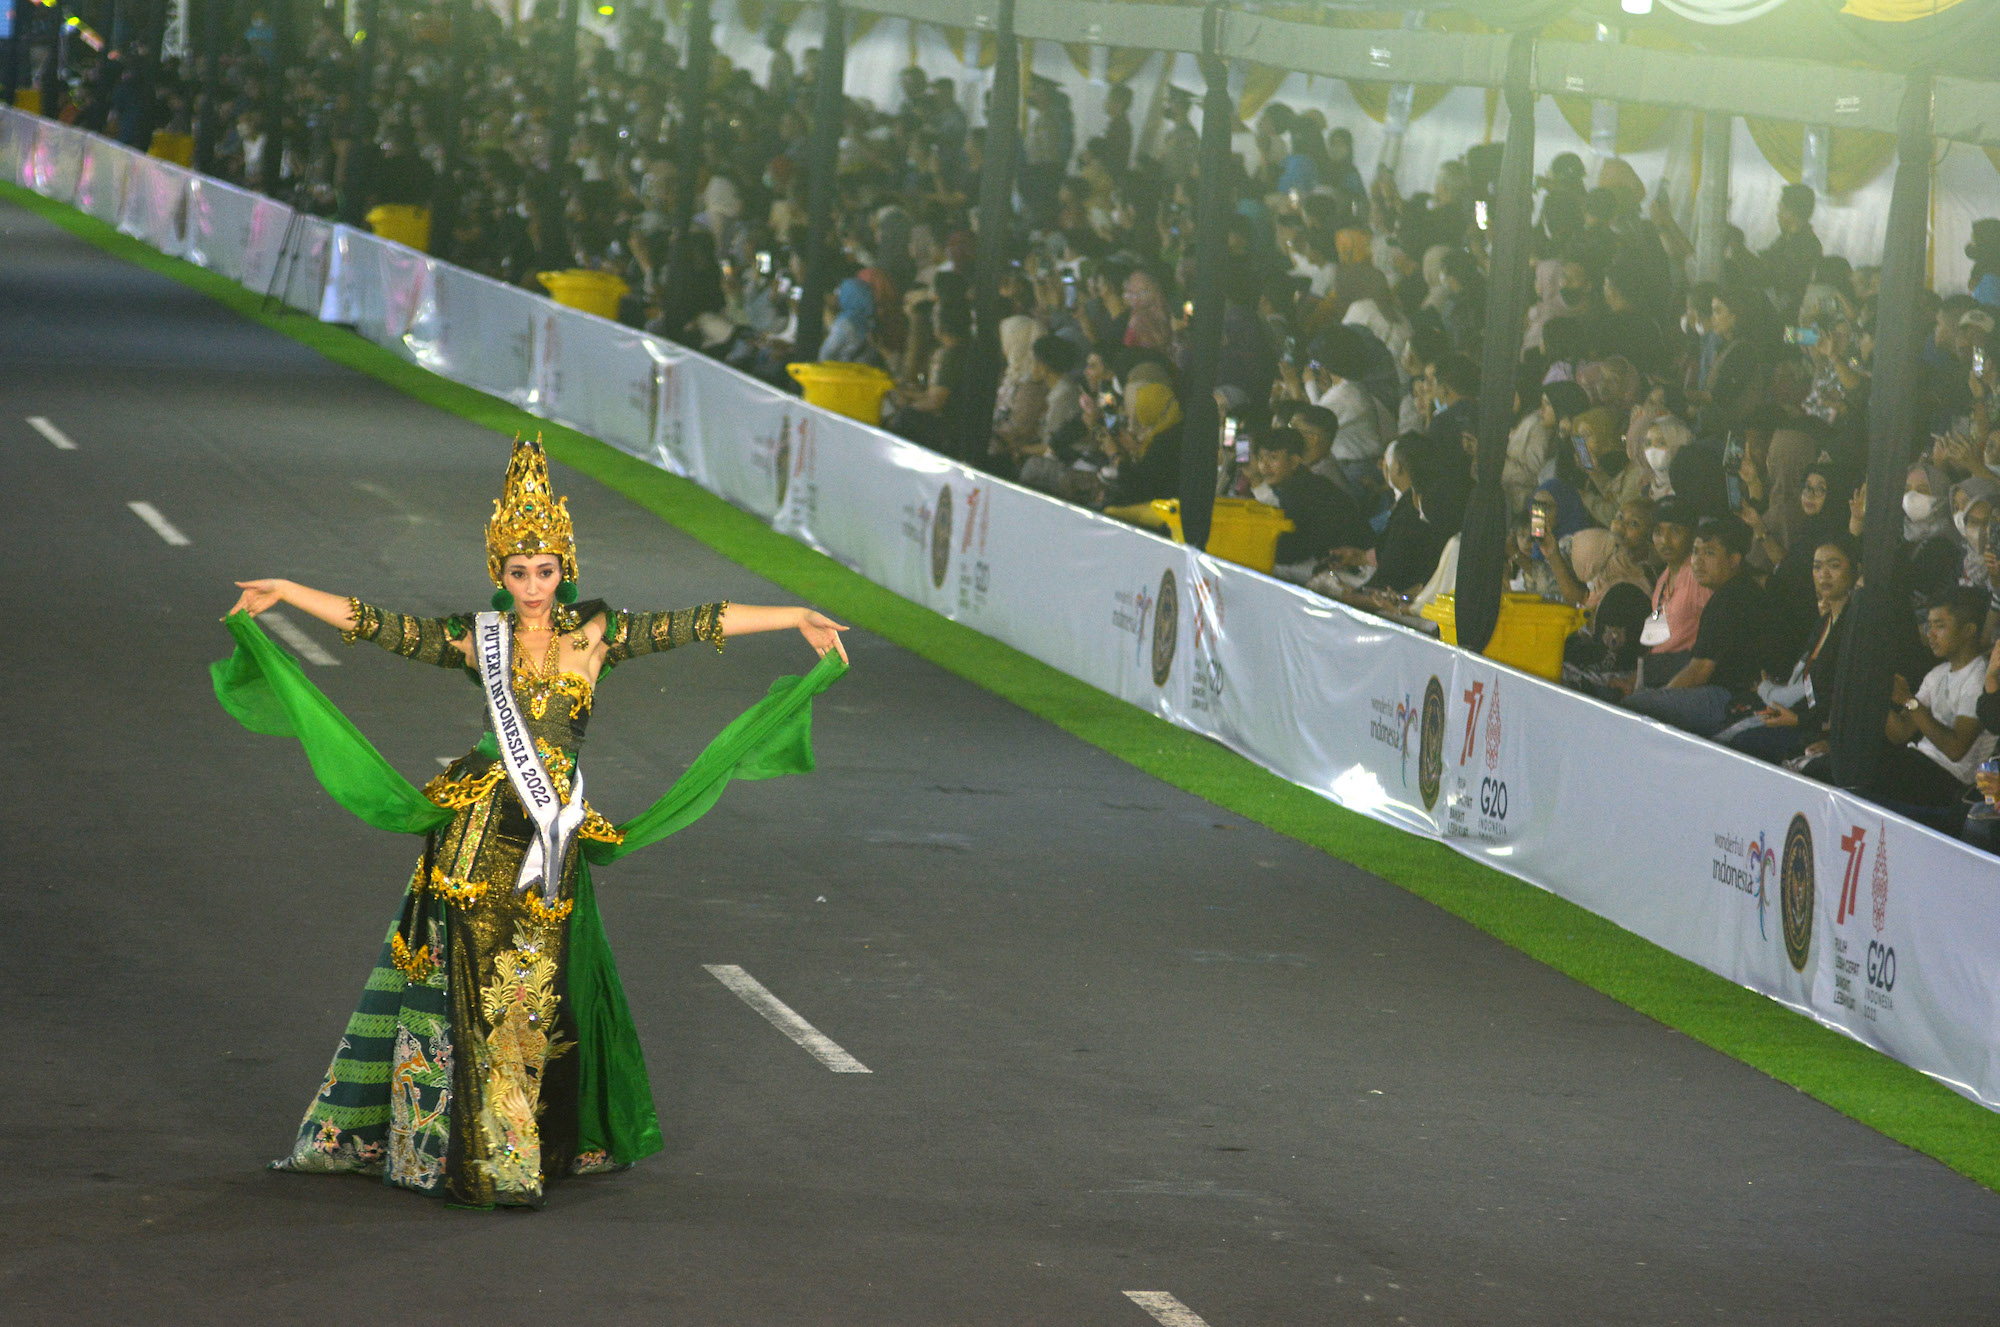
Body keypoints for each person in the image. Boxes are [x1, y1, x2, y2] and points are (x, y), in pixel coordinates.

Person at [225, 438, 849, 1208]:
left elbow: (701, 621)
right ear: (499, 572)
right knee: (476, 980)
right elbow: (381, 625)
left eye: (545, 571)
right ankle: (485, 1151)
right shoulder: (476, 637)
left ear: (566, 569)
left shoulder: (596, 636)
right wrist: (288, 590)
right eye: (518, 573)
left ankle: (520, 1142)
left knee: (532, 985)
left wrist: (795, 617)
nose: (532, 586)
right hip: (478, 828)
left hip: (551, 836)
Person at [1624, 518, 1770, 737]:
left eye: (1709, 553)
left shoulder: (1730, 599)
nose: (1697, 562)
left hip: (1728, 699)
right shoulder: (1737, 590)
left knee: (1633, 706)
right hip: (1725, 691)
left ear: (1734, 560)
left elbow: (1699, 672)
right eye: (1695, 552)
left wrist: (1662, 697)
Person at [1726, 535, 1858, 766]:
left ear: (1854, 570)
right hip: (1799, 714)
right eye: (1817, 567)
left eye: (1834, 566)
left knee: (1740, 742)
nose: (1824, 574)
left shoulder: (1854, 625)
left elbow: (1837, 695)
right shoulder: (1825, 621)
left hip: (1817, 726)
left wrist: (1795, 717)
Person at [1875, 588, 1998, 810]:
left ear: (1969, 630)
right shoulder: (1937, 674)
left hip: (1950, 779)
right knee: (1866, 758)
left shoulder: (1979, 677)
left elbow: (1955, 750)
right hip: (1917, 764)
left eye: (1940, 626)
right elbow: (1900, 732)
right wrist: (1877, 693)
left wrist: (1908, 700)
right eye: (1929, 625)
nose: (1930, 634)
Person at [1247, 428, 1375, 582]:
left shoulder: (1301, 491)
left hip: (1352, 569)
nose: (1264, 466)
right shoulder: (1304, 482)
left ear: (1294, 461)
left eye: (1273, 458)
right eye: (1260, 459)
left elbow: (1287, 553)